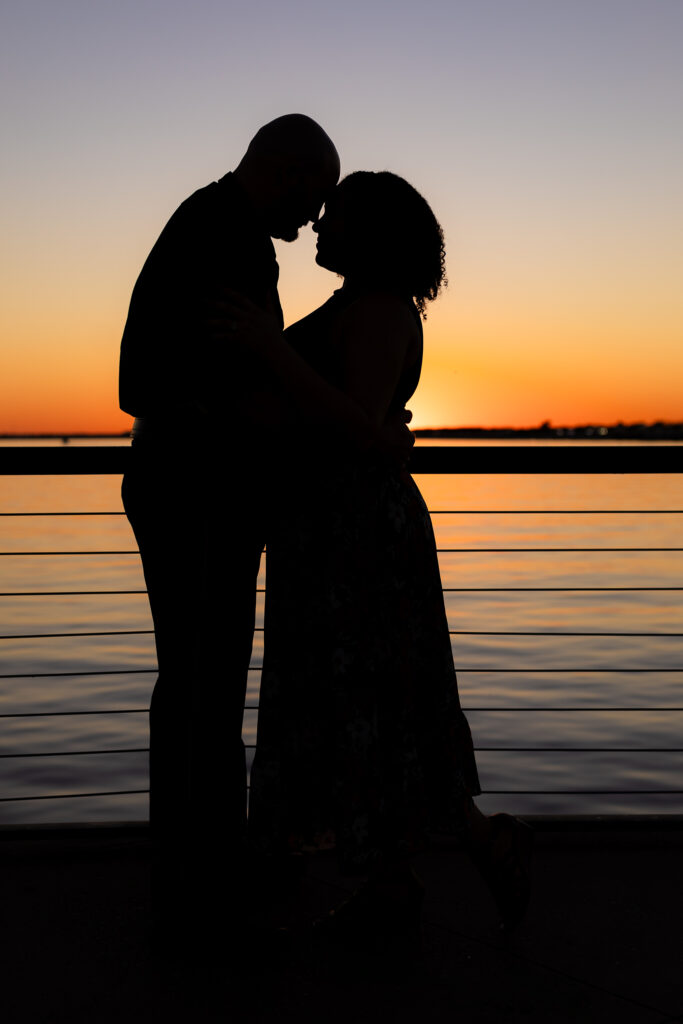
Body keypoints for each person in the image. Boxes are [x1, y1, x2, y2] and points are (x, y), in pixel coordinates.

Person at [216, 171, 533, 953]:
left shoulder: (382, 309)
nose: (319, 225)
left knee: (372, 699)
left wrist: (266, 349)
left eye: (338, 215)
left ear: (372, 231)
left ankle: (449, 854)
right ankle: (405, 879)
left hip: (354, 537)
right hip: (330, 531)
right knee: (376, 701)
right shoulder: (364, 305)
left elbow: (357, 425)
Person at [118, 114, 341, 929]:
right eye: (313, 198)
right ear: (285, 172)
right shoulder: (225, 236)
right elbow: (145, 376)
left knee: (201, 681)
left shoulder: (216, 228)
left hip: (192, 485)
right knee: (202, 685)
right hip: (196, 490)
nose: (314, 220)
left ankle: (197, 864)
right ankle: (197, 878)